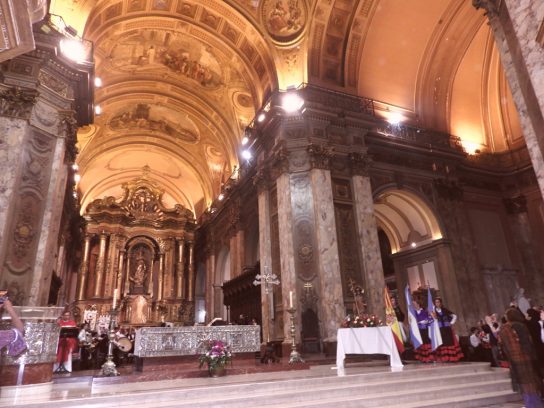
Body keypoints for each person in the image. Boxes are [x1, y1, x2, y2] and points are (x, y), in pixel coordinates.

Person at [499, 307, 543, 408]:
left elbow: (502, 345)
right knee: (530, 382)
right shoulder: (519, 326)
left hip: (513, 359)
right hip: (525, 358)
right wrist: (532, 355)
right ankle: (534, 404)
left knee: (523, 383)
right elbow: (526, 343)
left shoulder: (504, 328)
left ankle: (529, 403)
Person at [432, 297, 463, 362]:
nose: (437, 303)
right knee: (442, 343)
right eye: (436, 302)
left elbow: (454, 316)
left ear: (440, 303)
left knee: (449, 342)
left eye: (438, 302)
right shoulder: (433, 311)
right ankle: (444, 358)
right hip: (439, 330)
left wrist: (451, 323)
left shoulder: (445, 310)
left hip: (447, 329)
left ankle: (451, 358)